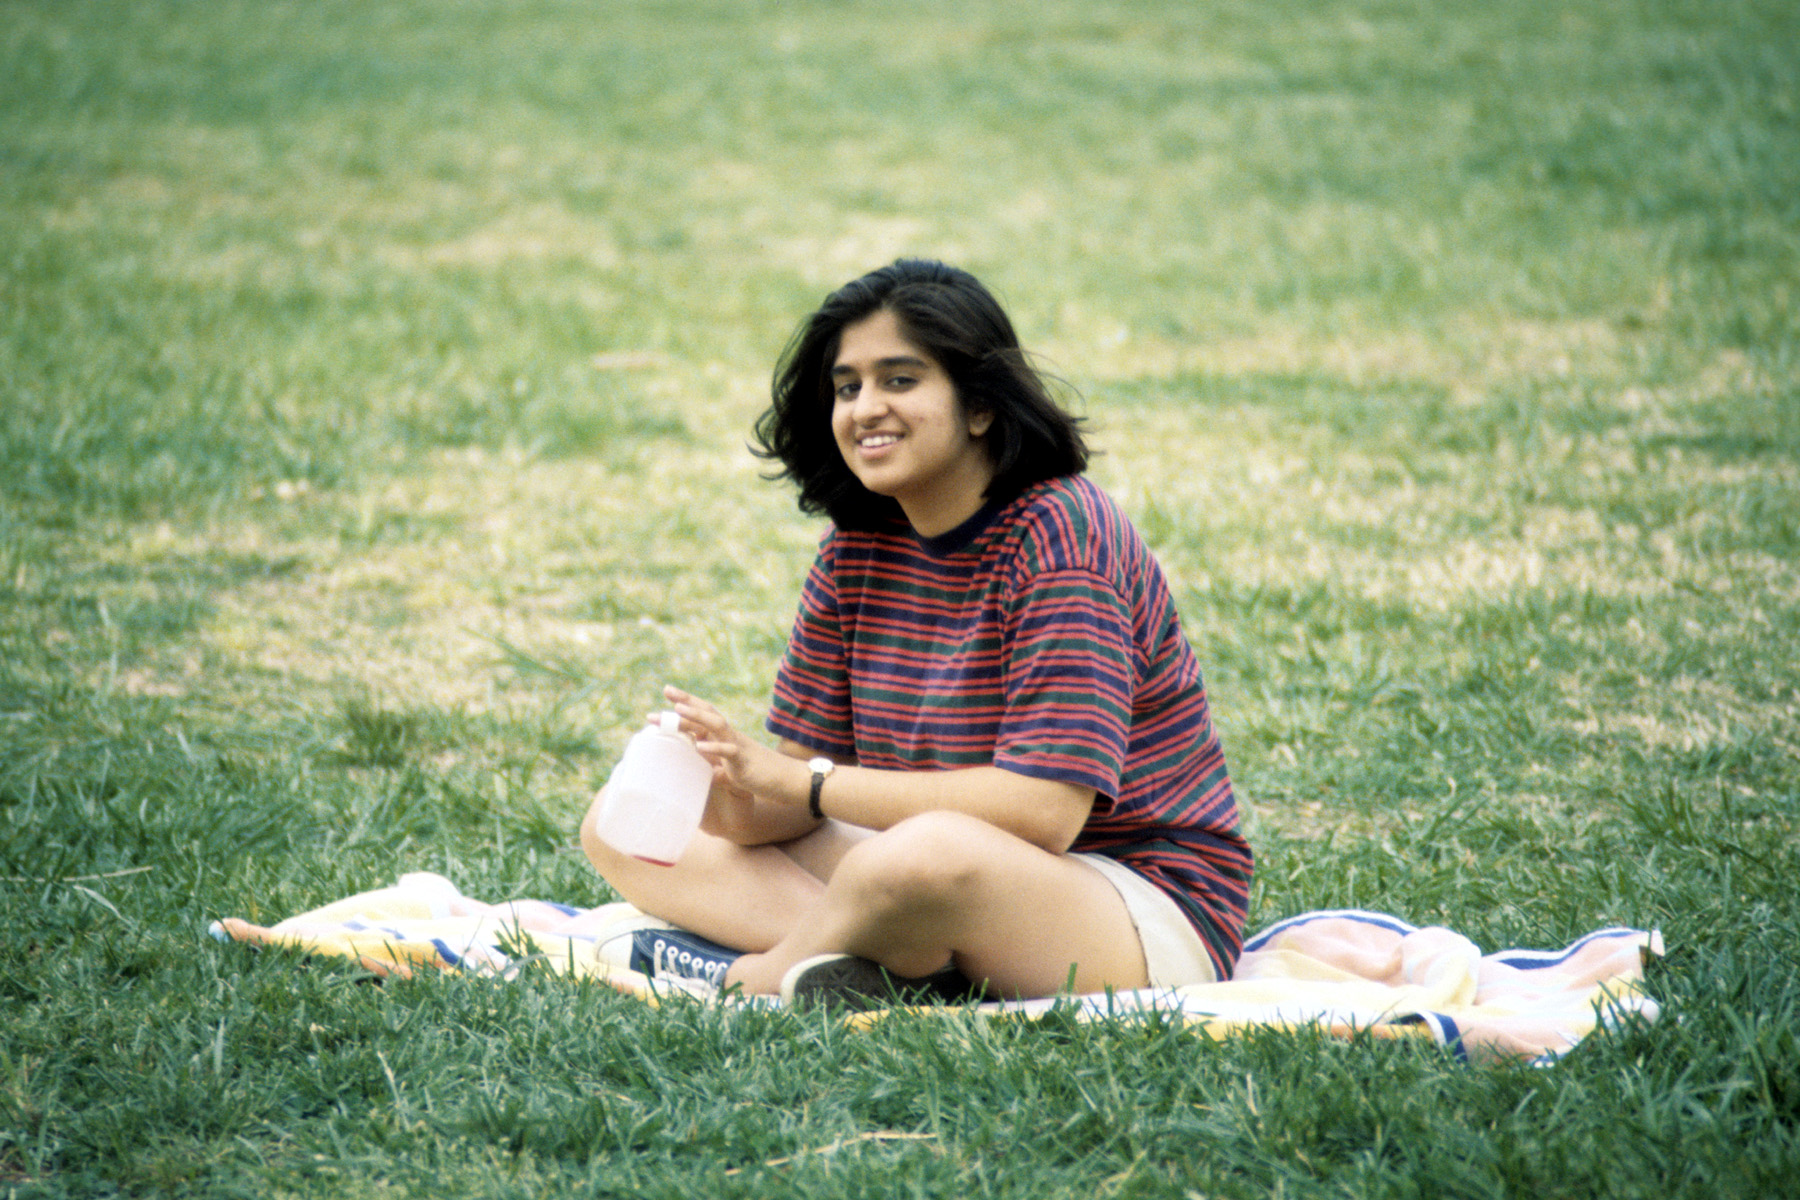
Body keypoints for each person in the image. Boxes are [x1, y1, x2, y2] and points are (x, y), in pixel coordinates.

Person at [580, 259, 1251, 1003]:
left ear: (980, 406)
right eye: (847, 387)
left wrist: (805, 785)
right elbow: (799, 795)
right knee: (618, 824)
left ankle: (757, 977)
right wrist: (732, 787)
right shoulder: (856, 548)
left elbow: (1045, 815)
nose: (866, 408)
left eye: (899, 380)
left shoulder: (1063, 534)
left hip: (1134, 903)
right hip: (929, 864)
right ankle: (878, 958)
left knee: (917, 858)